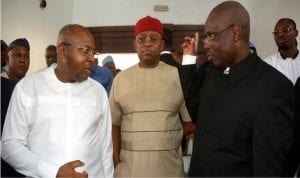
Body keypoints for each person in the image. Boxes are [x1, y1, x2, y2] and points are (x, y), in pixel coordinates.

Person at [181, 1, 295, 177]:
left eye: (211, 36)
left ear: (235, 33)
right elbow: (198, 114)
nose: (206, 44)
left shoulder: (274, 88)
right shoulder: (212, 73)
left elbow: (270, 168)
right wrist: (188, 60)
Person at [1, 24, 114, 178]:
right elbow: (9, 145)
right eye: (86, 50)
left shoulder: (98, 92)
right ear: (62, 51)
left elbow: (105, 150)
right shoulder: (29, 88)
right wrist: (53, 172)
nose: (91, 59)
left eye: (93, 52)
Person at [110, 15, 195, 177]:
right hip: (130, 171)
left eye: (154, 38)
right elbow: (114, 124)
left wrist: (163, 137)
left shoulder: (177, 76)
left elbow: (190, 124)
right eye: (141, 38)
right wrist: (116, 160)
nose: (147, 43)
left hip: (169, 170)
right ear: (134, 44)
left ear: (162, 44)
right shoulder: (121, 79)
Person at [264, 18, 300, 85]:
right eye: (276, 32)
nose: (280, 35)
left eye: (286, 30)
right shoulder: (268, 64)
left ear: (296, 33)